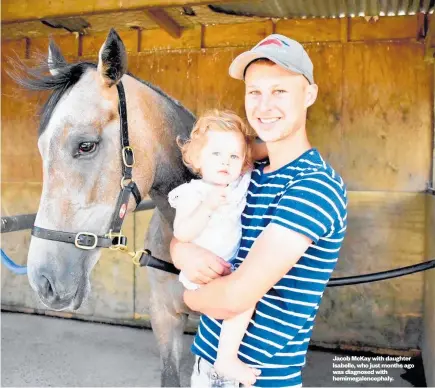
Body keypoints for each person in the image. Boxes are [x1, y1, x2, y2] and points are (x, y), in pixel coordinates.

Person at [170, 34, 348, 388]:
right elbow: (193, 231)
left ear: (309, 95)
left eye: (280, 91)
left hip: (257, 378)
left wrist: (182, 298)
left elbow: (234, 298)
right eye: (255, 92)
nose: (264, 105)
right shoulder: (244, 174)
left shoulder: (314, 187)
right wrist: (182, 251)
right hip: (207, 359)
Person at [168, 110, 267, 386]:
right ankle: (227, 357)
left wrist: (261, 145)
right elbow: (182, 232)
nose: (226, 162)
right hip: (203, 272)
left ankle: (225, 356)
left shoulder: (238, 182)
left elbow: (255, 152)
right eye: (216, 154)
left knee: (245, 296)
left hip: (228, 267)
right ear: (197, 158)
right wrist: (208, 206)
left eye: (233, 157)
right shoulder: (193, 193)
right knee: (243, 300)